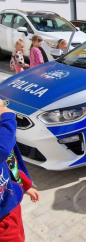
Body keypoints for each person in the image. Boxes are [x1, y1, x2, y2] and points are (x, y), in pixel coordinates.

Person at [0, 100, 40, 241]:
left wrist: (25, 185)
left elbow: (8, 164)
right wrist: (7, 119)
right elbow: (3, 150)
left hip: (11, 200)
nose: (5, 109)